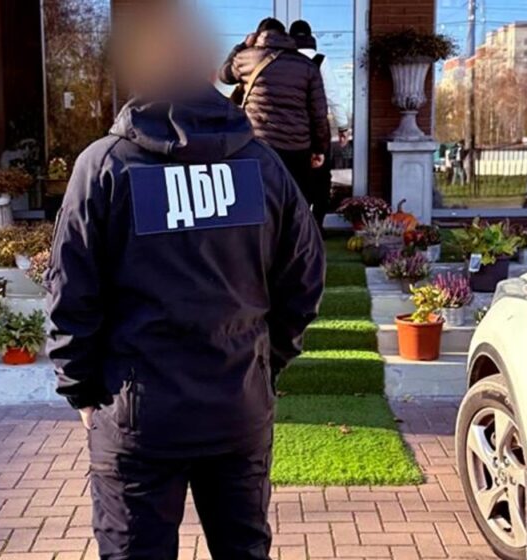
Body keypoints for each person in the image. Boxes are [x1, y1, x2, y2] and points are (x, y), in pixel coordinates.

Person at [45, 5, 325, 559]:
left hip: (138, 416)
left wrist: (80, 389)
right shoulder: (264, 167)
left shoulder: (104, 167)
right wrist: (264, 363)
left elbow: (70, 292)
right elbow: (304, 280)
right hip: (235, 404)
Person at [218, 18, 331, 210]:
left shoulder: (246, 59)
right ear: (285, 36)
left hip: (259, 146)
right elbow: (319, 113)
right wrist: (319, 149)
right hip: (297, 149)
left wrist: (242, 46)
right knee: (295, 206)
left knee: (260, 205)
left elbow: (224, 75)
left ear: (257, 36)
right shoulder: (307, 66)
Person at [289, 19, 349, 232]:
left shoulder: (284, 60)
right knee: (322, 181)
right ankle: (317, 226)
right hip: (317, 131)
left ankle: (296, 229)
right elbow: (333, 96)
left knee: (295, 181)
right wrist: (342, 126)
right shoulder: (320, 60)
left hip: (292, 132)